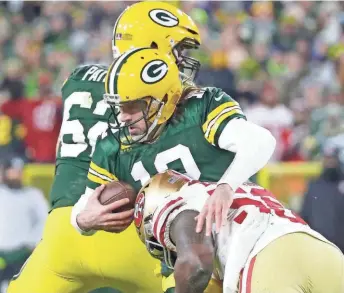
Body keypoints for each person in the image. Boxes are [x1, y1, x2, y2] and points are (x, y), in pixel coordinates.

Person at [7, 2, 202, 293]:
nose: (181, 60)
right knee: (206, 275)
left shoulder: (78, 78)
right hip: (129, 231)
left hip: (63, 232)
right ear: (152, 46)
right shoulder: (168, 97)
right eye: (177, 50)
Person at [72, 47, 275, 252]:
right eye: (119, 107)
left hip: (236, 236)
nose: (123, 116)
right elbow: (84, 205)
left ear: (163, 100)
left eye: (132, 106)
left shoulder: (200, 109)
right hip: (175, 259)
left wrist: (226, 187)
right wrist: (84, 220)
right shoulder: (112, 146)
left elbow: (262, 141)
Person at [134, 169, 344, 293]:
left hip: (268, 261)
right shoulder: (232, 187)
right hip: (323, 251)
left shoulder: (172, 205)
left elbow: (197, 261)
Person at [0, 156, 48, 293]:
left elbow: (44, 219)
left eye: (19, 171)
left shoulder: (33, 195)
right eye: (13, 171)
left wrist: (32, 243)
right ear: (5, 172)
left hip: (23, 253)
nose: (16, 174)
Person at [301, 137, 344, 253]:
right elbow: (305, 216)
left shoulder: (341, 184)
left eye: (332, 158)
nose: (330, 161)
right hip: (320, 249)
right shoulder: (314, 186)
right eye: (327, 158)